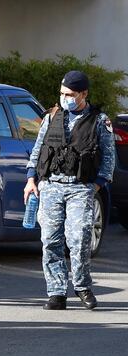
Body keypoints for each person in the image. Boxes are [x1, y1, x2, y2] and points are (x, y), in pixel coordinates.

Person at [24, 70, 115, 310]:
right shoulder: (52, 116)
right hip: (51, 185)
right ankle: (56, 292)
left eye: (71, 94)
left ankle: (83, 285)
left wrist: (95, 185)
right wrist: (31, 179)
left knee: (79, 238)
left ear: (84, 94)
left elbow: (108, 158)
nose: (66, 98)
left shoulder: (99, 120)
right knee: (50, 240)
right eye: (63, 93)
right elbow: (38, 149)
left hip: (80, 188)